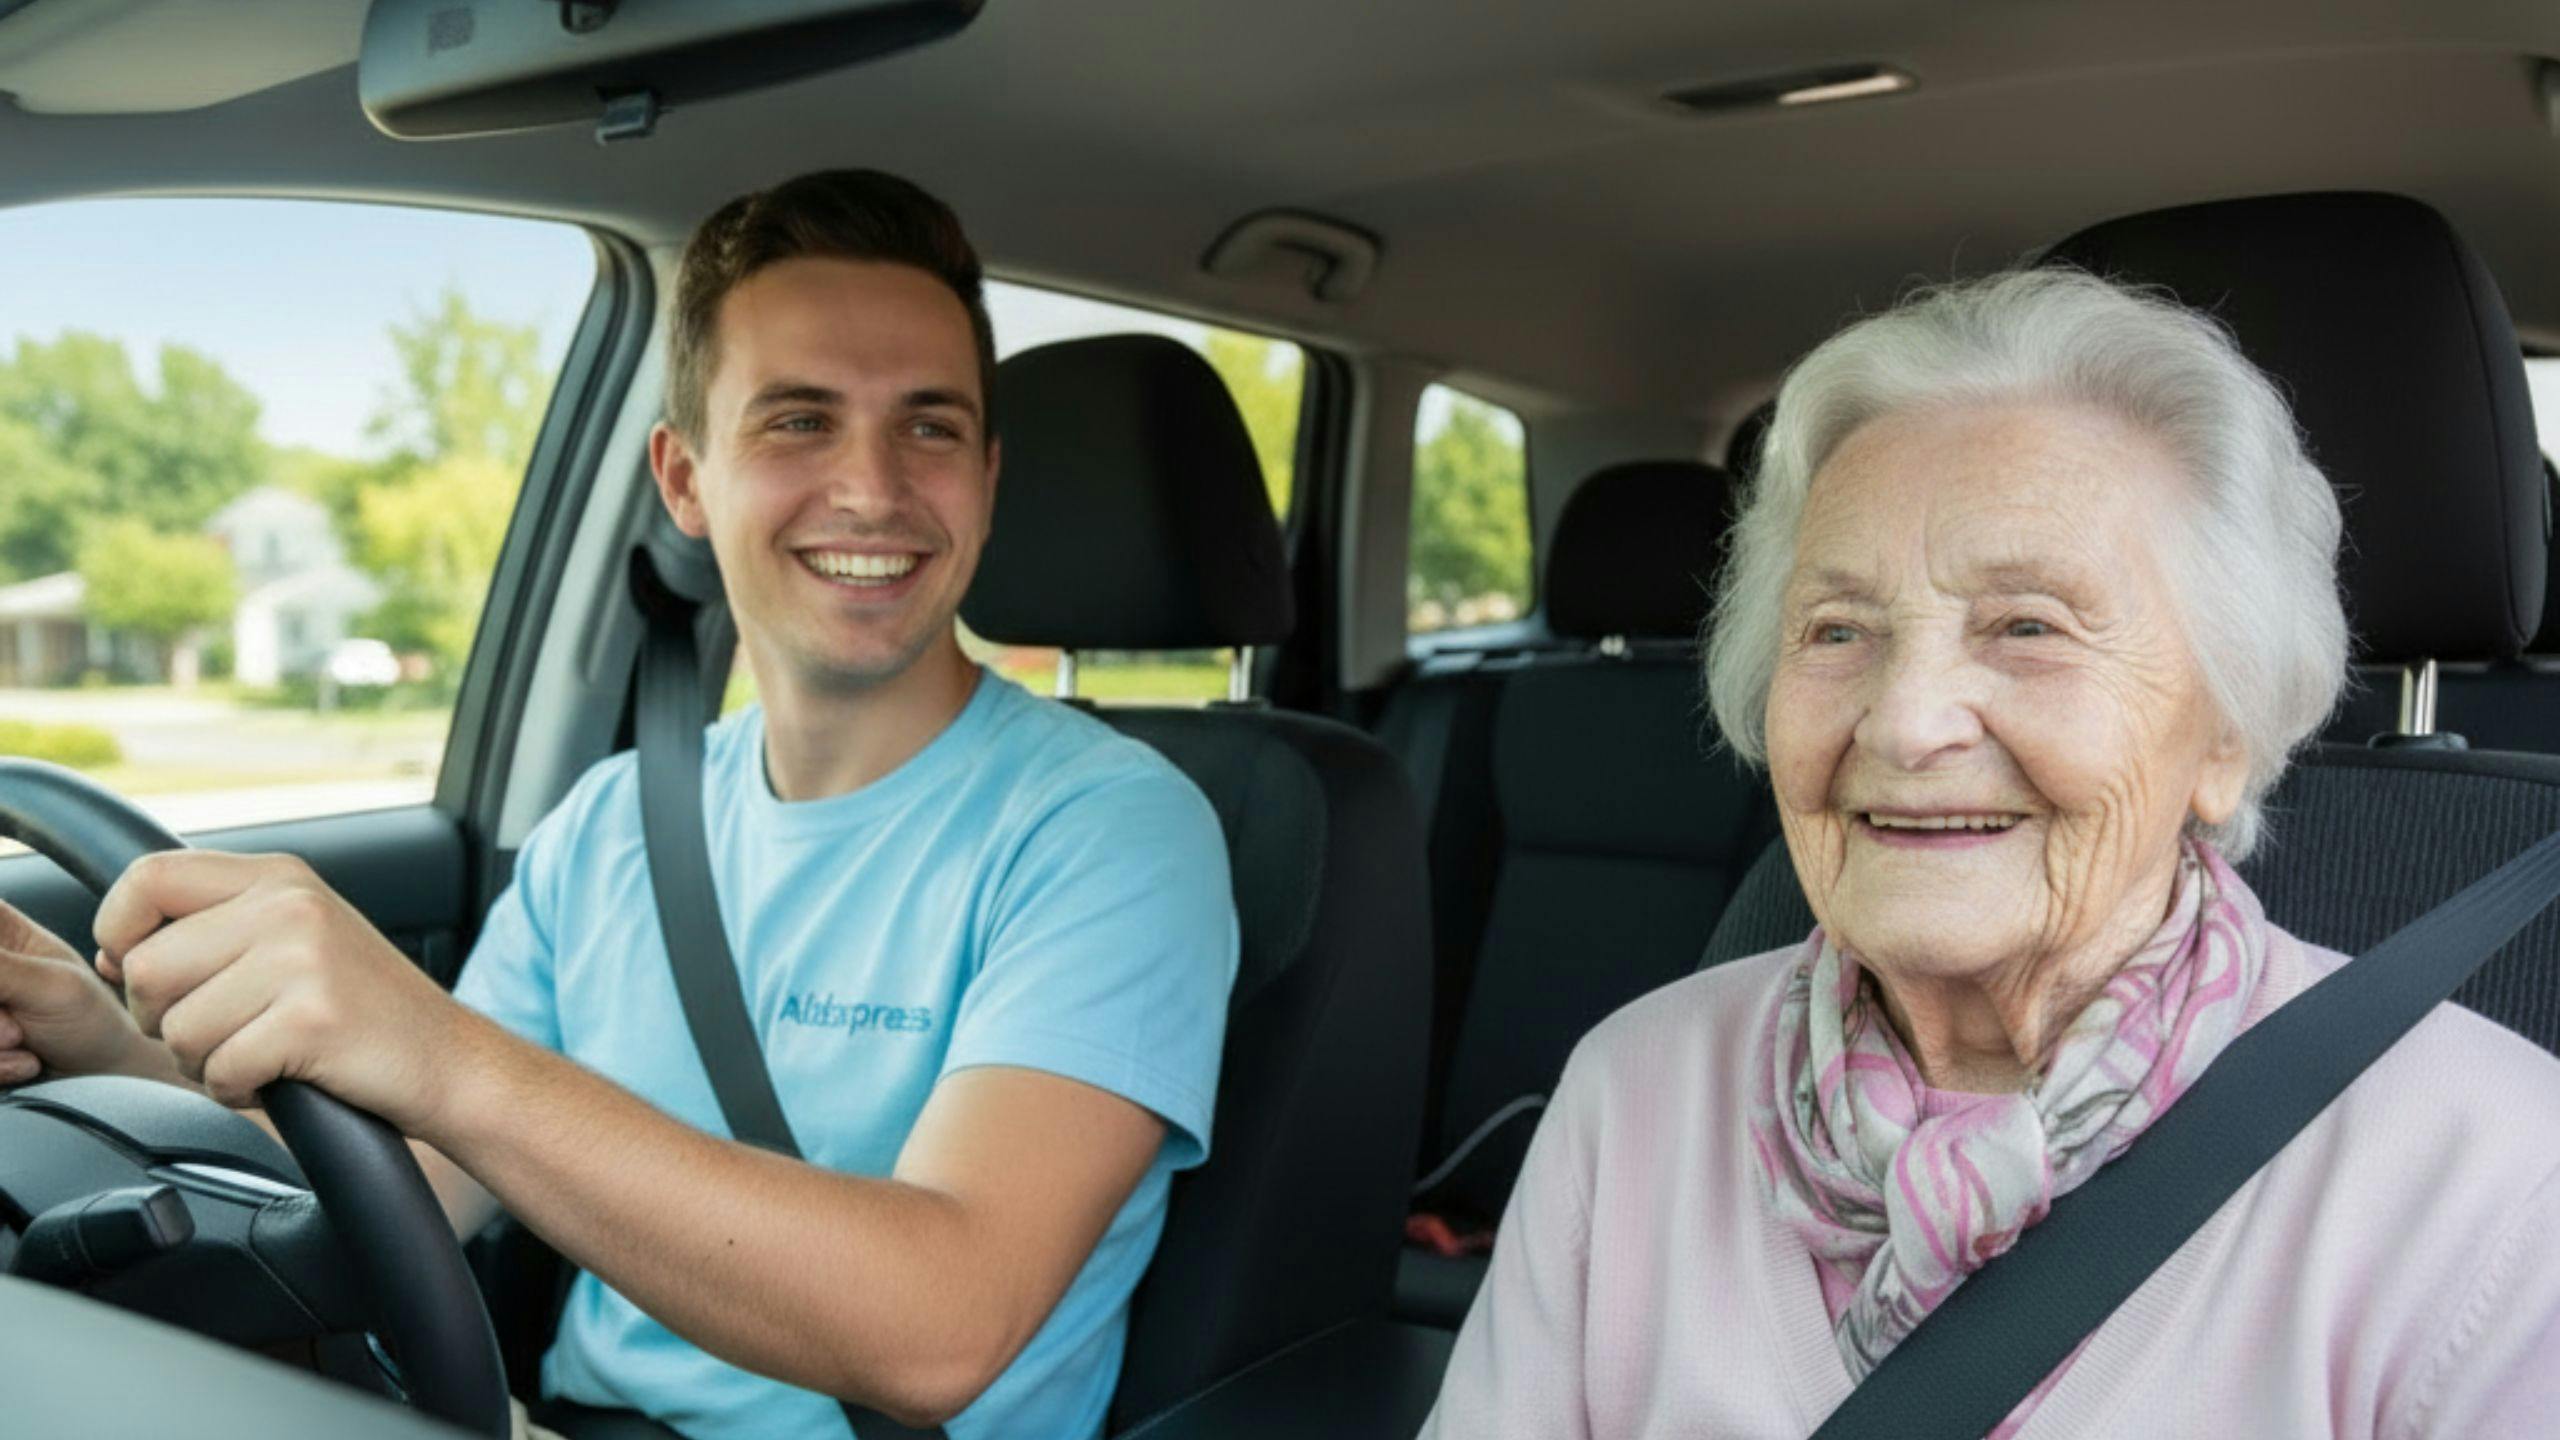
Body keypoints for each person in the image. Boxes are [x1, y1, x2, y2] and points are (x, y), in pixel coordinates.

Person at [0, 169, 1239, 1440]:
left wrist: (435, 1050)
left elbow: (942, 1329)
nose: (871, 488)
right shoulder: (610, 825)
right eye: (798, 420)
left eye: (928, 427)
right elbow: (417, 1182)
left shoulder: (1114, 830)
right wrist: (102, 1043)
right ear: (685, 478)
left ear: (986, 472)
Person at [1419, 269, 2560, 1437]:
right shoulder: (1637, 1092)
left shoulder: (2491, 1182)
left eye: (2027, 627)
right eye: (1838, 631)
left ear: (2226, 730)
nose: (1906, 722)